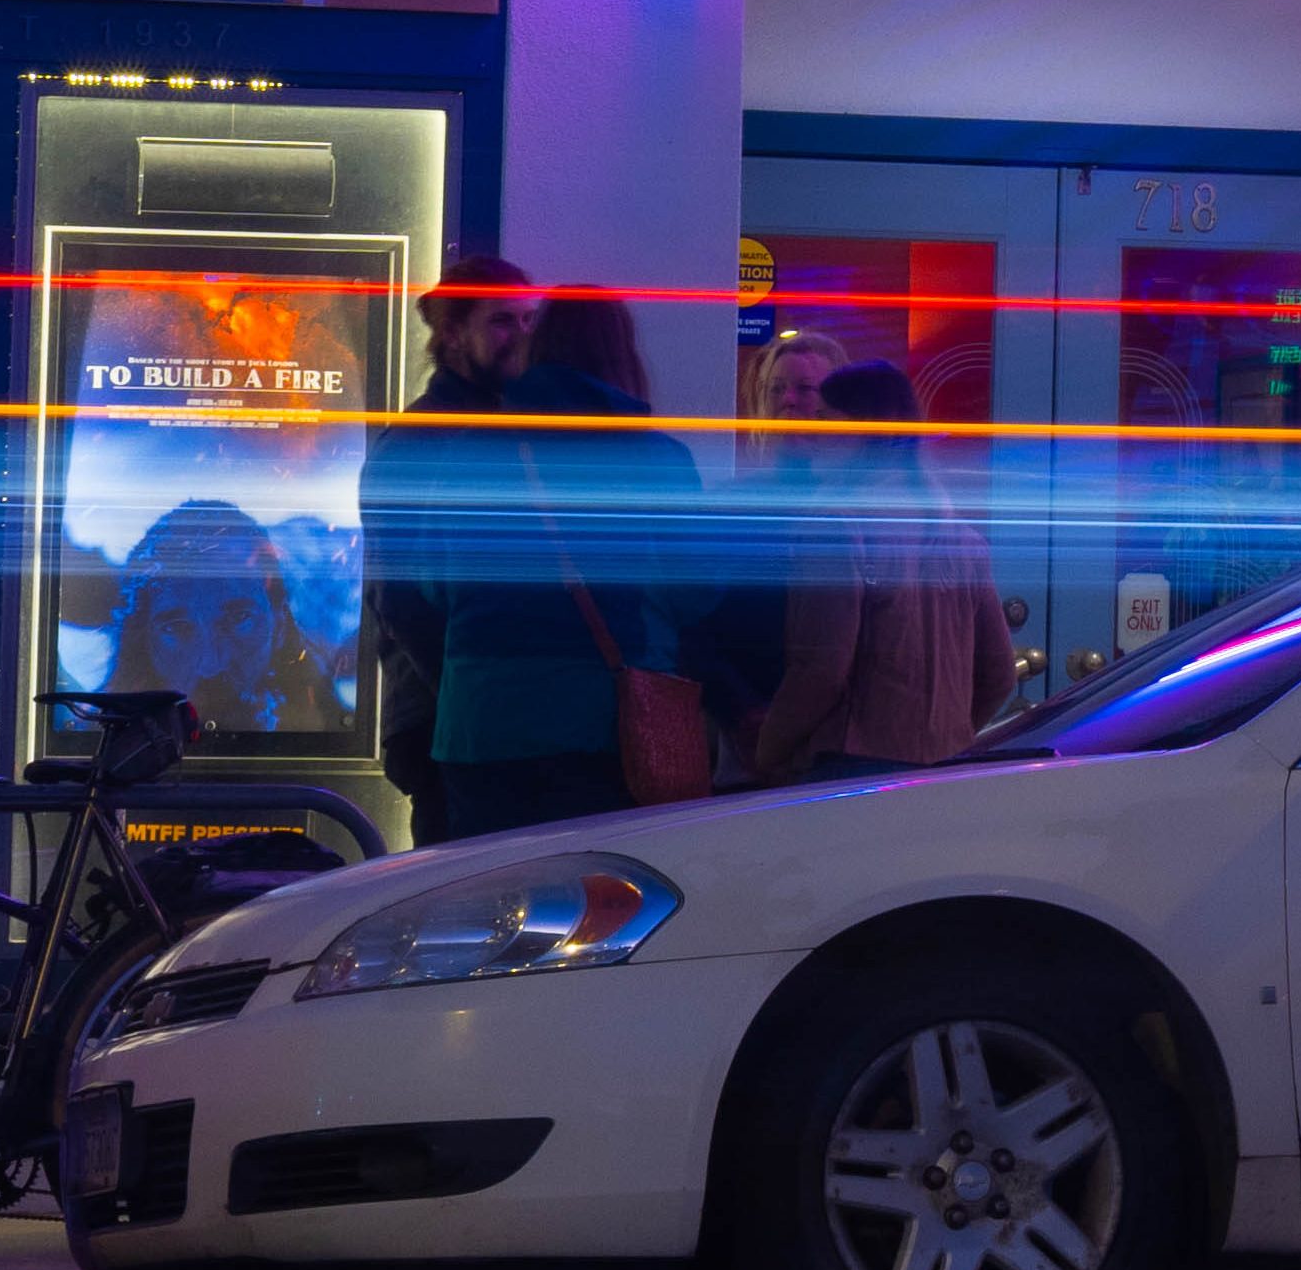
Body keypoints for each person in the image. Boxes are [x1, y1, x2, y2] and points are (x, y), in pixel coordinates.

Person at [363, 258, 705, 841]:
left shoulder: (467, 449)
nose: (519, 336)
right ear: (452, 333)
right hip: (541, 717)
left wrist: (482, 683)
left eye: (528, 321)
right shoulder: (425, 440)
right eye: (502, 321)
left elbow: (426, 585)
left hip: (473, 725)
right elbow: (400, 599)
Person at [735, 362, 1015, 784]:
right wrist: (948, 735)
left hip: (851, 764)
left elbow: (821, 669)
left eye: (825, 420)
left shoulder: (837, 528)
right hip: (942, 772)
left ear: (866, 431)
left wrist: (768, 750)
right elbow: (999, 674)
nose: (813, 433)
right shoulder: (961, 538)